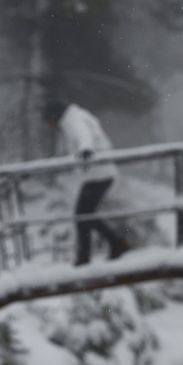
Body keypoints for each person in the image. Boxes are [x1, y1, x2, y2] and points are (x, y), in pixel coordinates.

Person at [56, 104, 127, 266]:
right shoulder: (78, 115)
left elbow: (84, 135)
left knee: (82, 215)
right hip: (101, 172)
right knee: (85, 214)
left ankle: (88, 255)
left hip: (98, 173)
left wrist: (85, 149)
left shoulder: (71, 120)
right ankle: (112, 245)